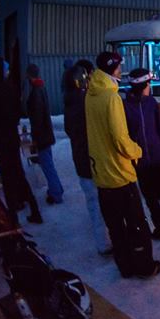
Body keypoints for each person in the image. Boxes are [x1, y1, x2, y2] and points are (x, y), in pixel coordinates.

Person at [87, 52, 160, 278]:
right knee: (136, 225)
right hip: (119, 173)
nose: (121, 70)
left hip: (101, 173)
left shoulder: (91, 94)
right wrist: (137, 151)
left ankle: (126, 267)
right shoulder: (111, 98)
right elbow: (120, 139)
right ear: (113, 69)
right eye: (119, 66)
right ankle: (145, 267)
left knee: (116, 227)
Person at [122, 68, 160, 246]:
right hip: (140, 162)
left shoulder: (152, 103)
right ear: (142, 85)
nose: (150, 87)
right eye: (148, 84)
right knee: (150, 199)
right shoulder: (125, 106)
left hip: (159, 159)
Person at [0, 57, 42, 224]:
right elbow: (17, 112)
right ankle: (34, 209)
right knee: (18, 174)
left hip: (2, 140)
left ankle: (13, 219)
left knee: (8, 178)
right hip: (12, 138)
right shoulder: (11, 88)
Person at [64, 61, 112, 254]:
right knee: (99, 202)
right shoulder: (84, 103)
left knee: (93, 202)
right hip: (92, 160)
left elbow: (70, 131)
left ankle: (103, 240)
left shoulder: (69, 101)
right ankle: (105, 242)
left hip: (80, 160)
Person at [23, 64, 64, 204]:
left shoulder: (36, 92)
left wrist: (35, 138)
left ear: (30, 75)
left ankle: (56, 193)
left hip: (42, 137)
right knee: (49, 165)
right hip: (46, 134)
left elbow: (37, 118)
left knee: (47, 166)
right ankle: (57, 189)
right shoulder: (41, 88)